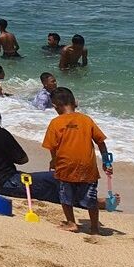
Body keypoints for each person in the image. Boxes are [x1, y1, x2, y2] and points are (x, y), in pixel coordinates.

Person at [42, 87, 112, 234]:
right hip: (87, 168)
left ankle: (71, 223)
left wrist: (53, 161)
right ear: (75, 103)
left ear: (55, 106)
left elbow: (52, 147)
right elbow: (101, 142)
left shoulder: (56, 123)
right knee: (90, 199)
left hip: (65, 166)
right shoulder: (86, 120)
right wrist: (106, 162)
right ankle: (94, 227)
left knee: (66, 197)